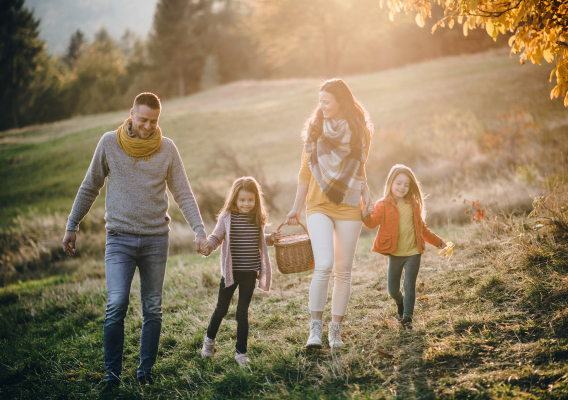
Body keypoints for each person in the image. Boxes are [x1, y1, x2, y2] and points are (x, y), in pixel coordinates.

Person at [61, 93, 208, 390]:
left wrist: (200, 230)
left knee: (153, 308)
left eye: (154, 121)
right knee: (116, 304)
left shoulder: (167, 148)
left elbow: (182, 192)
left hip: (156, 239)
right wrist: (71, 224)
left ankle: (145, 371)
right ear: (131, 114)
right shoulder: (108, 143)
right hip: (119, 239)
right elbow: (90, 185)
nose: (149, 126)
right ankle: (112, 373)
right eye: (143, 119)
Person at [285, 78, 373, 349]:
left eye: (327, 101)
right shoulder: (315, 129)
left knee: (343, 270)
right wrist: (296, 207)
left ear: (341, 102)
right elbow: (304, 171)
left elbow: (359, 167)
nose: (321, 106)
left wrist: (367, 194)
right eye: (319, 101)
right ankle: (315, 330)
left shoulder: (360, 132)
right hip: (318, 204)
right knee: (323, 265)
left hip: (348, 204)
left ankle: (335, 329)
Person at [199, 177, 280, 366]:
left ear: (256, 200)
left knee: (242, 312)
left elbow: (260, 238)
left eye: (250, 200)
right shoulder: (227, 217)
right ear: (235, 199)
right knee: (221, 308)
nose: (246, 204)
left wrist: (271, 238)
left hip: (250, 272)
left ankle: (241, 352)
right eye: (242, 200)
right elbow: (216, 237)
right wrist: (208, 246)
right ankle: (209, 342)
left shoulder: (257, 217)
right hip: (231, 273)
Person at [362, 164, 447, 330]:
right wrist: (365, 215)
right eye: (399, 183)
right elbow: (372, 224)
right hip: (395, 252)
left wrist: (438, 241)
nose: (402, 187)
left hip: (413, 252)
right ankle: (400, 304)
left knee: (409, 286)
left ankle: (407, 318)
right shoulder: (383, 204)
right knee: (392, 289)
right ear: (391, 183)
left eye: (406, 185)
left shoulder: (413, 205)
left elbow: (422, 229)